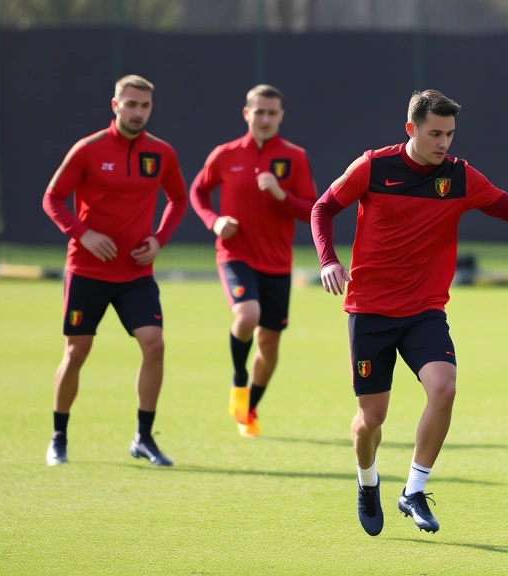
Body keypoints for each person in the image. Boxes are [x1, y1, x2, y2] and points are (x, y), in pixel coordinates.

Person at [311, 89, 508, 536]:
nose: (444, 143)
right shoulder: (372, 167)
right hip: (370, 310)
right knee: (371, 420)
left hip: (424, 309)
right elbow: (323, 208)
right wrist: (328, 259)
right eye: (434, 133)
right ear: (410, 129)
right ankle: (367, 480)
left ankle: (413, 490)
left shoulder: (460, 177)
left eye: (449, 134)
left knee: (444, 387)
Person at [41, 74, 188, 467]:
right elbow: (52, 198)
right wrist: (82, 233)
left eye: (145, 106)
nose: (138, 112)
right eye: (131, 104)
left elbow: (178, 199)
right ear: (115, 105)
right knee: (77, 351)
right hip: (87, 270)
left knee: (154, 343)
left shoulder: (161, 153)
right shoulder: (87, 149)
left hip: (136, 274)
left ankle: (143, 437)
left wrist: (158, 239)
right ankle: (59, 436)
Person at [190, 85, 317, 438]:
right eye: (258, 112)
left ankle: (249, 409)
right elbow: (199, 190)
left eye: (271, 112)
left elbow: (312, 210)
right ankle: (239, 380)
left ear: (281, 116)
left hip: (277, 262)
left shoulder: (295, 158)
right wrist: (213, 221)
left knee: (270, 344)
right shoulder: (225, 154)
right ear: (246, 113)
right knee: (247, 316)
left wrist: (281, 194)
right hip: (235, 254)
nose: (264, 119)